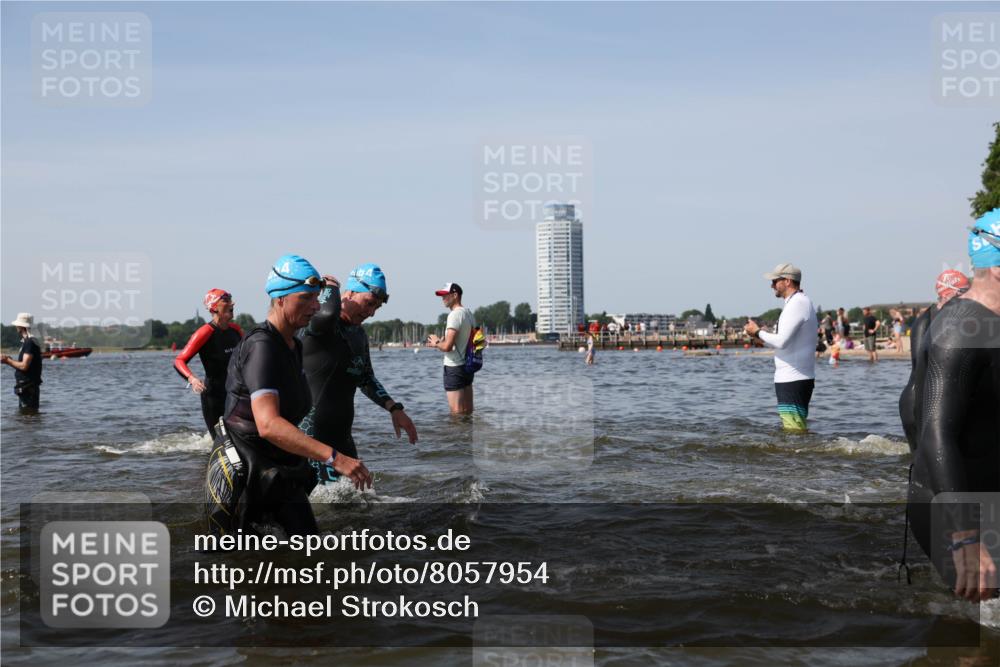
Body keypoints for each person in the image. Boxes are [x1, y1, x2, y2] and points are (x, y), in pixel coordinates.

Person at [205, 254, 371, 538]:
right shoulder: (262, 346)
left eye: (317, 298)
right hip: (245, 475)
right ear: (280, 298)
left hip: (279, 470)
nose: (315, 306)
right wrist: (334, 457)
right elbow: (268, 425)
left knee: (306, 557)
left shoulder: (292, 344)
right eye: (305, 297)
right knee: (235, 569)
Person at [906, 211, 1000, 603]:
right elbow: (934, 432)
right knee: (978, 635)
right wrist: (966, 536)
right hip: (957, 507)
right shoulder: (962, 328)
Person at [300, 263, 417, 485]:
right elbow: (326, 313)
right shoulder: (318, 326)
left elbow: (365, 377)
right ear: (350, 293)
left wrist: (393, 408)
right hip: (311, 438)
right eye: (369, 303)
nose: (371, 313)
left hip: (342, 440)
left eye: (376, 308)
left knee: (357, 507)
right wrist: (331, 285)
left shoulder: (359, 335)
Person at [899, 270, 970, 449]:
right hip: (926, 401)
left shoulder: (933, 317)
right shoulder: (940, 320)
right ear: (951, 293)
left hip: (919, 399)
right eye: (965, 292)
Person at [744, 263, 818, 433]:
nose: (771, 285)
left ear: (787, 281)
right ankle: (801, 457)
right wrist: (757, 335)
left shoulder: (797, 303)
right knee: (794, 429)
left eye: (775, 281)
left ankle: (800, 458)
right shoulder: (797, 302)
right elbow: (781, 341)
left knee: (793, 432)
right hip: (793, 377)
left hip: (793, 378)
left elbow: (781, 342)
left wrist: (757, 331)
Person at [174, 289, 243, 439]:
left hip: (236, 394)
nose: (232, 303)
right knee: (219, 439)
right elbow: (179, 360)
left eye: (231, 299)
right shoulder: (205, 332)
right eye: (226, 300)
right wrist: (192, 379)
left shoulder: (236, 330)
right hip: (214, 396)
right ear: (214, 307)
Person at [426, 282, 474, 414]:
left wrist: (436, 342)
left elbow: (447, 347)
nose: (442, 298)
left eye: (445, 295)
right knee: (468, 411)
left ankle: (455, 435)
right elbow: (465, 341)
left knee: (456, 412)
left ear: (455, 295)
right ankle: (468, 435)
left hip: (454, 367)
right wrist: (442, 342)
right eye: (441, 296)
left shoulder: (454, 315)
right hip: (468, 366)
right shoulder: (469, 314)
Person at [1, 313, 43, 413]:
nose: (16, 326)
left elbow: (24, 366)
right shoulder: (29, 341)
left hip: (28, 387)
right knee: (27, 417)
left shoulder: (29, 342)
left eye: (17, 324)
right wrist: (9, 359)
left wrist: (7, 361)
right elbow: (24, 364)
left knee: (27, 416)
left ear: (21, 326)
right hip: (26, 387)